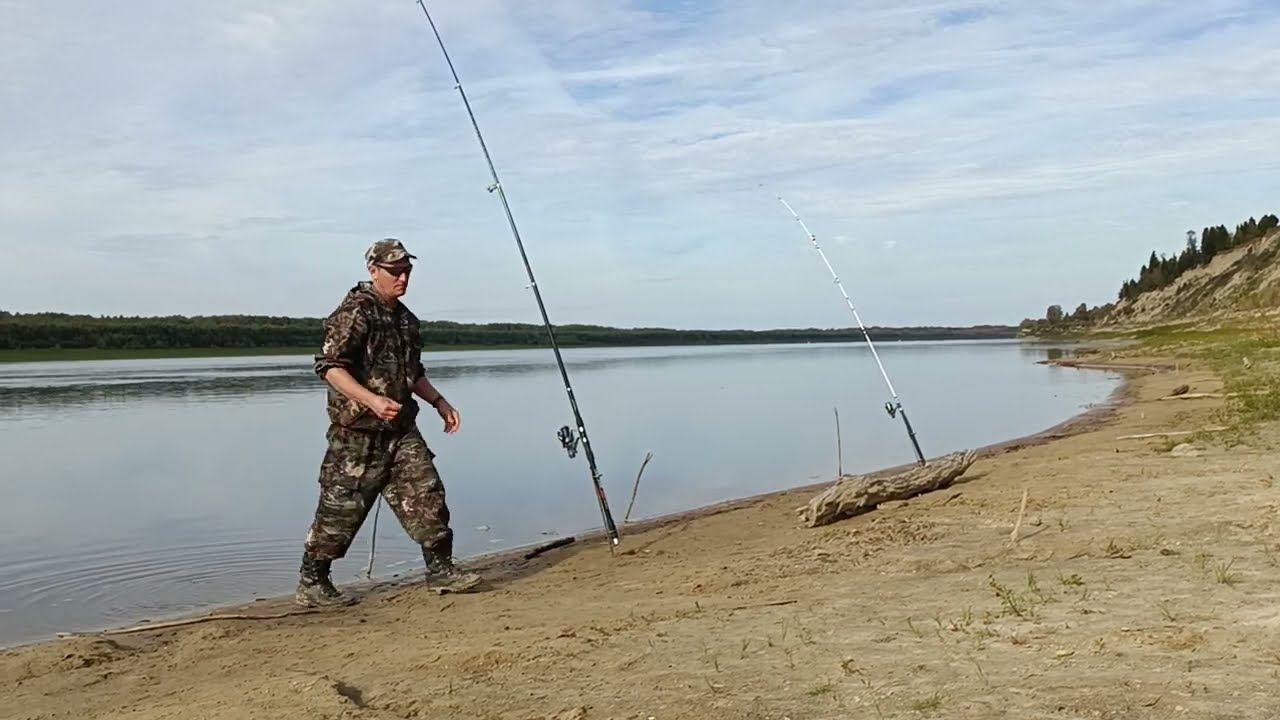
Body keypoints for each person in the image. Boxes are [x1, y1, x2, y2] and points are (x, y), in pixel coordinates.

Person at [295, 238, 480, 607]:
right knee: (340, 509)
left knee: (426, 492)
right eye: (395, 272)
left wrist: (440, 403)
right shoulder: (355, 311)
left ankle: (441, 570)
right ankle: (313, 582)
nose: (403, 278)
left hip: (400, 430)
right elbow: (329, 367)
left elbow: (413, 373)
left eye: (407, 271)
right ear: (374, 270)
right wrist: (371, 400)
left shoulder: (406, 320)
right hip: (357, 434)